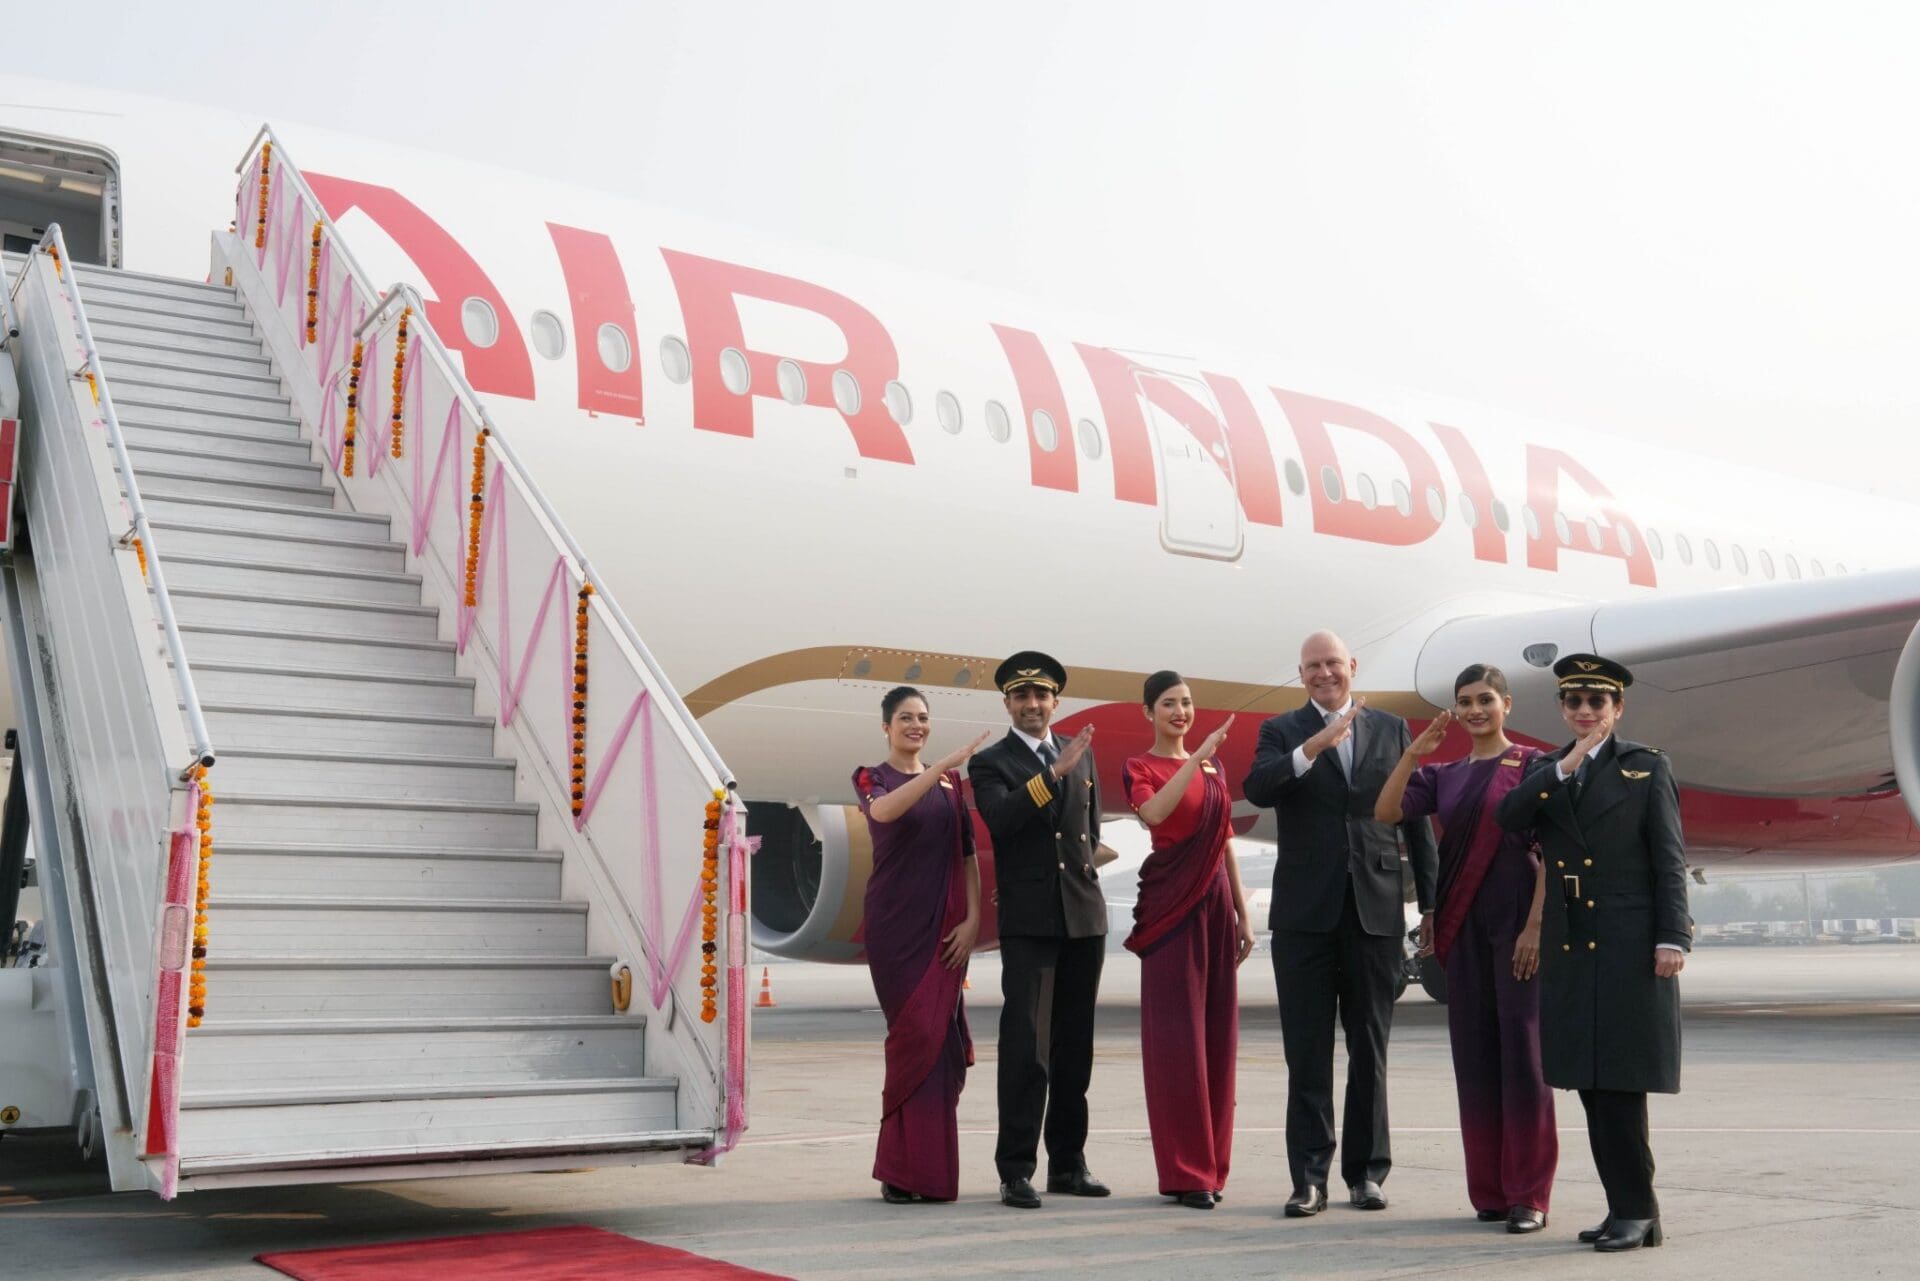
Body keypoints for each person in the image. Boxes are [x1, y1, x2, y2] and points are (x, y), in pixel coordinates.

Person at [1494, 653, 1691, 1253]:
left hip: (1630, 941)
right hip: (1573, 943)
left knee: (1622, 1083)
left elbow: (1669, 859)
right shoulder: (1547, 769)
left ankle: (1638, 1209)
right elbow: (1509, 817)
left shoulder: (1645, 767)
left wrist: (1672, 937)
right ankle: (1624, 1209)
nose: (1584, 710)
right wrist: (1565, 767)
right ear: (1562, 708)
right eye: (1574, 701)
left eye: (1596, 701)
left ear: (1617, 708)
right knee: (1588, 1082)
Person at [1241, 630, 1438, 1217]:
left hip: (1375, 910)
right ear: (1301, 674)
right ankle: (1308, 1179)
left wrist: (1432, 903)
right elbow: (1258, 788)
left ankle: (1367, 1174)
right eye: (1312, 666)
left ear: (1351, 665)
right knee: (1306, 1052)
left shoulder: (1392, 729)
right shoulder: (1282, 731)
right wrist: (1313, 748)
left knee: (1369, 1049)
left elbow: (1415, 819)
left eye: (1332, 663)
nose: (1323, 673)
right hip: (1305, 914)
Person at [1374, 664, 1557, 1233]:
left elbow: (1552, 851)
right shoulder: (1443, 774)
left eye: (1485, 700)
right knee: (1474, 1056)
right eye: (1465, 702)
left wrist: (1535, 927)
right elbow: (1385, 811)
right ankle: (1491, 1190)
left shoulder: (1533, 764)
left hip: (1517, 920)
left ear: (1506, 704)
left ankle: (1529, 1194)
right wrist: (1413, 753)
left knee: (1524, 1054)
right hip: (1463, 921)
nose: (1475, 710)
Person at [967, 650, 1109, 1210]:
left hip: (1083, 914)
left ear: (1055, 701)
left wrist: (1066, 766)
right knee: (1027, 1049)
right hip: (1030, 921)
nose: (1032, 704)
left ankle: (1068, 1164)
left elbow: (1089, 831)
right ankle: (1016, 1169)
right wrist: (1053, 774)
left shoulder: (1080, 751)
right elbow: (1001, 820)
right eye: (1021, 696)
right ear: (1007, 704)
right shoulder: (991, 763)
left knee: (1075, 1048)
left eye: (1041, 695)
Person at [1122, 671, 1257, 1211]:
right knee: (1178, 1043)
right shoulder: (1140, 766)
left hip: (1216, 901)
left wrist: (1242, 914)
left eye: (1186, 702)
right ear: (1149, 712)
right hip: (1172, 906)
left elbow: (1224, 840)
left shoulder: (1213, 768)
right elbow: (1152, 814)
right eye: (1168, 704)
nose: (1180, 711)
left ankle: (1213, 1167)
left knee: (1218, 1038)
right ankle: (1185, 1171)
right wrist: (1195, 757)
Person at [853, 686, 990, 1203]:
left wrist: (973, 920)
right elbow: (884, 813)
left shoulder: (951, 785)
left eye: (923, 717)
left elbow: (968, 855)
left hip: (945, 931)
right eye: (906, 718)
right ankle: (899, 1171)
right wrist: (940, 769)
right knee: (913, 1039)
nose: (916, 725)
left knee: (942, 1049)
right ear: (886, 727)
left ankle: (929, 1173)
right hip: (895, 928)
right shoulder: (872, 777)